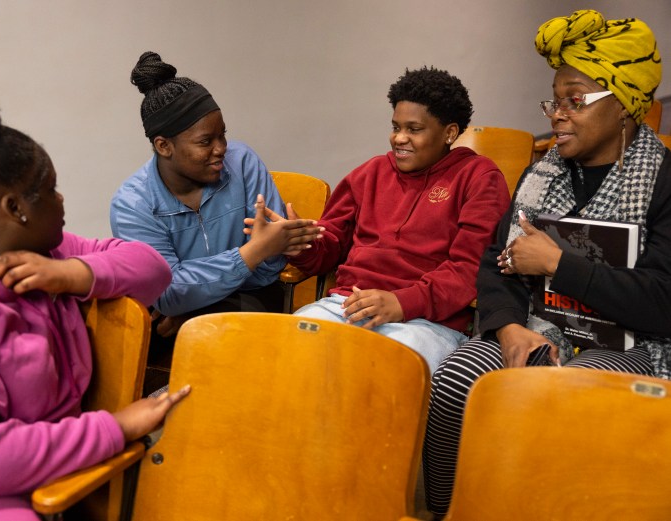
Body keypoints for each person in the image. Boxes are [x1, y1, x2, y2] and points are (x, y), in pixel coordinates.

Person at [0, 79, 190, 521]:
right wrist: (117, 428)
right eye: (49, 188)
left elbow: (152, 269)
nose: (61, 198)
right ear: (14, 208)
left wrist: (74, 273)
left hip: (41, 475)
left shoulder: (43, 254)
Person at [423, 10, 670, 517]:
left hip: (635, 344)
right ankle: (455, 511)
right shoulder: (541, 176)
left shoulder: (663, 182)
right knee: (456, 379)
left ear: (624, 105)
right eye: (554, 101)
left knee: (571, 392)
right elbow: (496, 265)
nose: (557, 114)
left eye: (574, 100)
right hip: (538, 328)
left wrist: (561, 264)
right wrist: (510, 329)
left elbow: (663, 302)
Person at [110, 51, 322, 391]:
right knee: (116, 349)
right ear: (164, 146)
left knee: (220, 335)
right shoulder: (133, 205)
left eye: (222, 135)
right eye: (205, 141)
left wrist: (192, 302)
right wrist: (252, 252)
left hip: (254, 298)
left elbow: (270, 268)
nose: (222, 148)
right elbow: (167, 291)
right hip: (169, 315)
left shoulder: (243, 163)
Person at [276, 66, 510, 372]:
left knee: (382, 376)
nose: (399, 138)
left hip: (426, 322)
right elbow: (330, 247)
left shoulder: (479, 178)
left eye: (414, 129)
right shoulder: (370, 173)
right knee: (284, 352)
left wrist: (402, 303)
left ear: (449, 133)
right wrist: (301, 244)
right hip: (346, 307)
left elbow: (470, 269)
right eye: (395, 126)